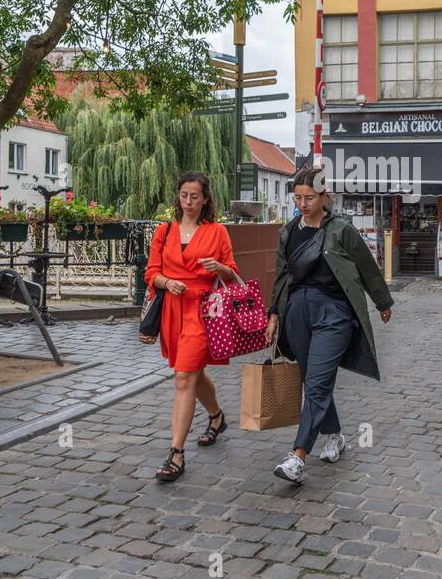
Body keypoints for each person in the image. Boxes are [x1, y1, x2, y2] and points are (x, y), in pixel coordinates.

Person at [265, 165, 394, 485]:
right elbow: (282, 276)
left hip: (335, 315)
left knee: (319, 382)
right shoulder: (289, 231)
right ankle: (335, 435)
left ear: (325, 196)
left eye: (309, 197)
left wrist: (382, 302)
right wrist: (274, 314)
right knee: (313, 380)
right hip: (297, 313)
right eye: (297, 198)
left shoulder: (341, 230)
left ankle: (298, 456)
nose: (302, 204)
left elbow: (366, 266)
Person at [144, 172, 243, 483]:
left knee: (184, 376)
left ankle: (176, 453)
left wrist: (220, 268)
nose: (188, 202)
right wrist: (165, 281)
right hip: (171, 310)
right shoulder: (164, 231)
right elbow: (151, 273)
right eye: (184, 195)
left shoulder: (217, 232)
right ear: (178, 196)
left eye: (195, 197)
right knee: (193, 374)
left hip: (203, 310)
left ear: (205, 200)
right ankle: (216, 416)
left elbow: (233, 275)